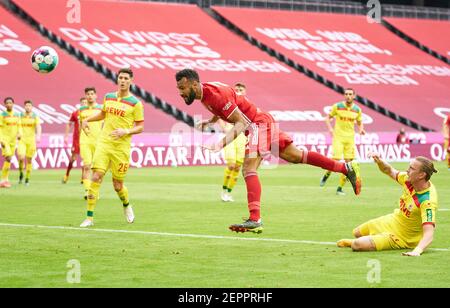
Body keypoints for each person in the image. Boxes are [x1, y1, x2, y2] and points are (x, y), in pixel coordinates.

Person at [175, 69, 361, 233]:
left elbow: (241, 122)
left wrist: (219, 144)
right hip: (259, 121)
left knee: (248, 168)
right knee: (296, 156)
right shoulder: (205, 93)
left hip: (257, 123)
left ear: (194, 84)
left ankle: (255, 219)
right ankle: (345, 168)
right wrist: (211, 122)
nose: (181, 93)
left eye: (183, 88)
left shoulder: (215, 94)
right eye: (179, 89)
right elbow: (224, 107)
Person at [79, 68, 144, 228]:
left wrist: (126, 131)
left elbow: (140, 126)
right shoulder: (108, 97)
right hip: (104, 143)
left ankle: (127, 204)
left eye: (125, 78)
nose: (122, 80)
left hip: (121, 147)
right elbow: (103, 114)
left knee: (117, 185)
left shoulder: (136, 103)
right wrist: (88, 119)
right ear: (117, 79)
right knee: (96, 177)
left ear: (131, 81)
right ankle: (89, 217)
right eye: (120, 77)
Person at [337, 155, 438, 256]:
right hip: (393, 220)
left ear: (421, 175)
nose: (407, 170)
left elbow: (429, 233)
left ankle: (367, 240)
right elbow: (390, 171)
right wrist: (380, 162)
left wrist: (417, 251)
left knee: (357, 244)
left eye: (411, 168)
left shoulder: (427, 201)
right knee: (357, 232)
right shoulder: (408, 179)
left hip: (401, 237)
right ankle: (376, 238)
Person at [320, 88, 365, 195]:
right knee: (335, 159)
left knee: (348, 164)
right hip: (338, 137)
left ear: (354, 96)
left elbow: (359, 122)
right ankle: (326, 175)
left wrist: (361, 129)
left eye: (350, 94)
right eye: (346, 94)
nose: (348, 96)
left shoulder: (357, 110)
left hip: (350, 139)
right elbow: (327, 118)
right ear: (344, 95)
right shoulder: (338, 106)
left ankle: (339, 188)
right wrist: (330, 129)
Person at [219, 82, 247, 202]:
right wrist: (224, 127)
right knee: (231, 165)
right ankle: (224, 190)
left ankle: (228, 193)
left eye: (241, 89)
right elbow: (218, 114)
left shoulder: (247, 105)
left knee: (237, 167)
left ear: (245, 92)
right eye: (237, 89)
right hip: (230, 135)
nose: (239, 90)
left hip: (241, 137)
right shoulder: (229, 102)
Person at [79, 87, 103, 199]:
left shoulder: (101, 109)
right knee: (87, 166)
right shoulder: (81, 110)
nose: (90, 96)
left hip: (98, 141)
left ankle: (95, 190)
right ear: (85, 96)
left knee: (97, 169)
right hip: (84, 141)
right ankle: (88, 191)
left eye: (92, 94)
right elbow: (81, 125)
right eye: (88, 94)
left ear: (96, 95)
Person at [62, 97, 87, 184]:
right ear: (80, 104)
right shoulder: (75, 113)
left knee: (86, 159)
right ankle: (66, 175)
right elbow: (69, 124)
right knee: (73, 158)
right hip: (76, 139)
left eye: (85, 102)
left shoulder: (91, 113)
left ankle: (83, 178)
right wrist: (66, 136)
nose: (84, 104)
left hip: (87, 139)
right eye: (82, 102)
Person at [17, 100, 41, 185]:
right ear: (24, 107)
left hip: (31, 141)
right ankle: (20, 173)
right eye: (26, 105)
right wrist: (18, 134)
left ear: (32, 107)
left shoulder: (35, 116)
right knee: (21, 157)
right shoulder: (20, 115)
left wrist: (38, 136)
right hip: (22, 140)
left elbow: (38, 126)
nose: (28, 107)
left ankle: (27, 178)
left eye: (29, 106)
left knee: (29, 160)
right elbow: (17, 126)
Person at [0, 97, 22, 188]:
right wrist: (1, 139)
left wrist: (20, 134)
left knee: (8, 160)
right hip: (5, 140)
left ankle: (5, 180)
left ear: (13, 104)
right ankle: (3, 180)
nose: (9, 104)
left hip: (13, 140)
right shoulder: (2, 115)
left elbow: (19, 126)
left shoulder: (17, 114)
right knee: (8, 158)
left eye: (10, 103)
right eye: (7, 103)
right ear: (5, 104)